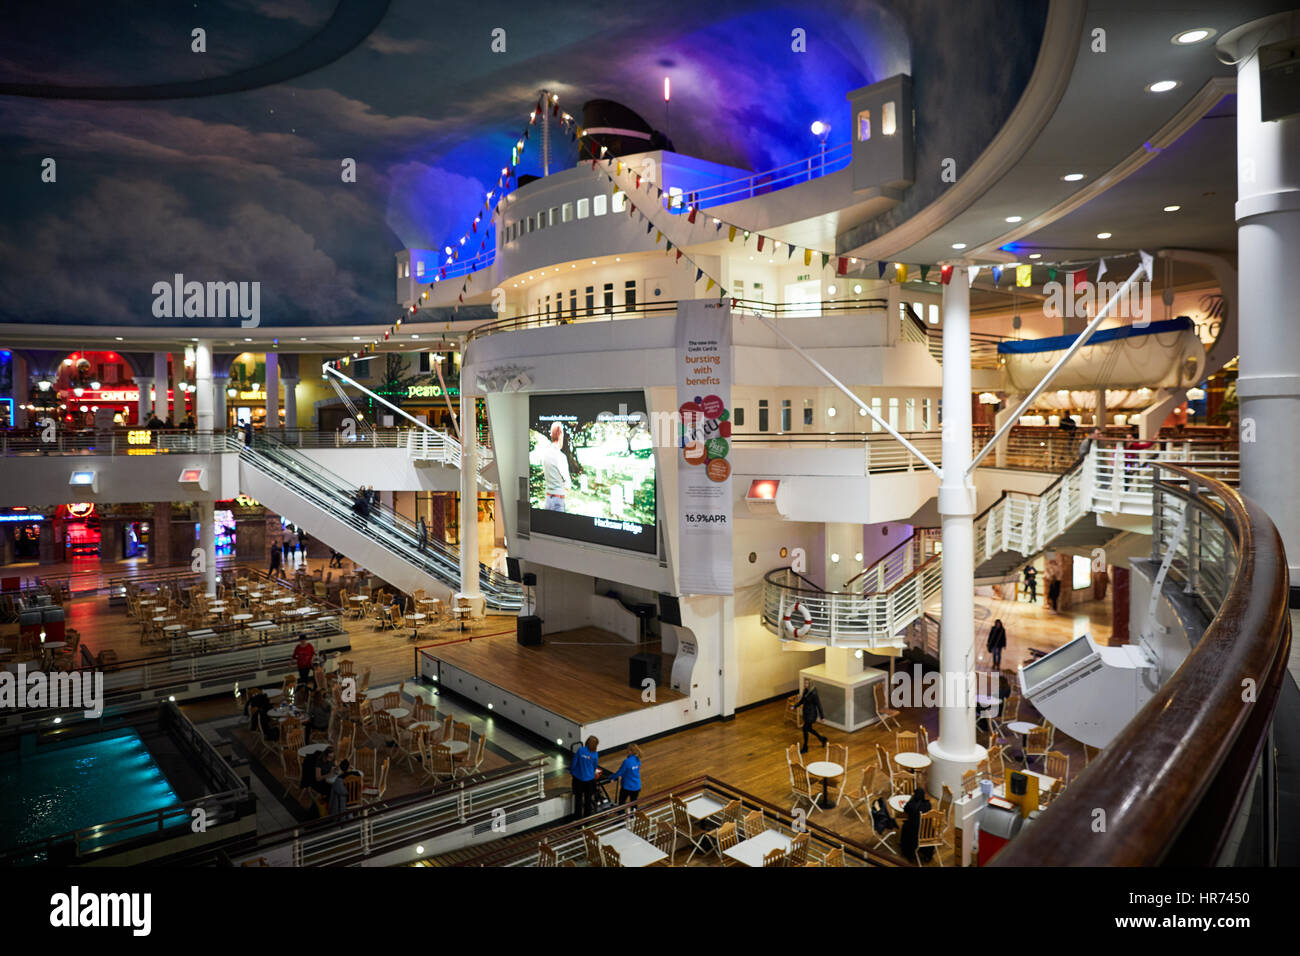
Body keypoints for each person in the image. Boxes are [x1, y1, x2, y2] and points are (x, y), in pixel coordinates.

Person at [540, 422, 571, 512]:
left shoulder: (545, 454)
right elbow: (568, 485)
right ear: (560, 434)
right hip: (558, 502)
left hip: (548, 500)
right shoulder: (561, 457)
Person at [900, 785, 934, 863]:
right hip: (926, 832)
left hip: (914, 833)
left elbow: (905, 809)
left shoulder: (911, 805)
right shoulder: (928, 804)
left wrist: (911, 799)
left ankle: (908, 853)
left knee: (905, 827)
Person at [570, 736, 600, 819]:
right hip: (589, 780)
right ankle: (587, 820)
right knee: (588, 800)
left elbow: (574, 763)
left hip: (578, 779)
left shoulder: (580, 750)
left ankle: (578, 819)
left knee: (578, 800)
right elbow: (595, 766)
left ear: (587, 742)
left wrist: (572, 772)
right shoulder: (595, 754)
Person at [796, 684, 827, 754]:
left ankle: (805, 747)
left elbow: (819, 705)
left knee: (805, 729)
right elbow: (803, 700)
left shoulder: (814, 693)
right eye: (805, 683)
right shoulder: (806, 691)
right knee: (809, 729)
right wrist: (797, 703)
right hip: (807, 713)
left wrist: (822, 716)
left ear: (810, 685)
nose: (805, 685)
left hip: (811, 715)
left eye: (807, 683)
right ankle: (822, 739)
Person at [611, 743, 642, 808]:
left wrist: (611, 777)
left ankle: (621, 817)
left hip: (627, 786)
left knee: (622, 803)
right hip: (636, 786)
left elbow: (620, 772)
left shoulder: (627, 761)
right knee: (634, 803)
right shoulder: (638, 759)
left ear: (630, 751)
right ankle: (633, 817)